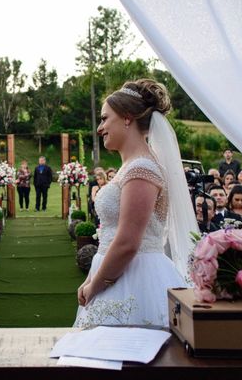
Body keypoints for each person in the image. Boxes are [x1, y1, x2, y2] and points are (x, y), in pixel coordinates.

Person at [75, 79, 197, 327]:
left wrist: (96, 285)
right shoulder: (131, 167)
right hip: (114, 271)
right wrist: (91, 278)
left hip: (135, 278)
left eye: (104, 118)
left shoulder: (142, 169)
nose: (100, 128)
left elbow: (129, 242)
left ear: (127, 118)